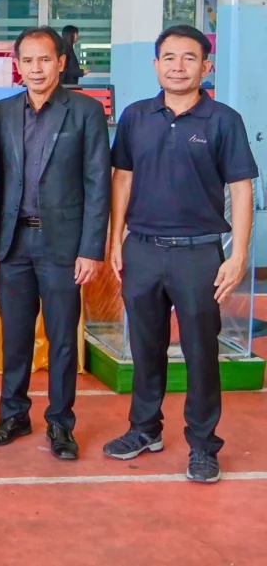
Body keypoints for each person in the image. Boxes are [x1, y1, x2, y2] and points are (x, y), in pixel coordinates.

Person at [103, 25, 257, 484]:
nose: (178, 66)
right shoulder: (135, 116)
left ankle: (204, 446)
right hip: (142, 251)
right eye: (169, 57)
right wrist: (115, 239)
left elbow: (241, 189)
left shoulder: (223, 120)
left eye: (189, 58)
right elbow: (122, 178)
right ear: (156, 64)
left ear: (206, 66)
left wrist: (238, 255)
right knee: (145, 346)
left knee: (200, 352)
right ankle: (145, 429)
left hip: (198, 256)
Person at [0, 26, 110, 460]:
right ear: (17, 65)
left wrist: (91, 248)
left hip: (64, 246)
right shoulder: (0, 113)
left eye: (44, 59)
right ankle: (13, 416)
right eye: (28, 60)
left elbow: (98, 184)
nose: (36, 68)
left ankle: (60, 424)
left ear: (61, 62)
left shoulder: (85, 111)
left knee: (61, 340)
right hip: (13, 243)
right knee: (16, 337)